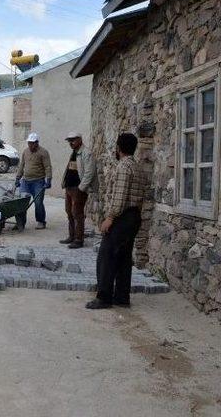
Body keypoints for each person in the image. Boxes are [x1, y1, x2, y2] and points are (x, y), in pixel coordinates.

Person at [86, 133, 144, 310]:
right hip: (134, 216)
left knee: (107, 256)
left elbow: (119, 198)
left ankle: (104, 297)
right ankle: (121, 296)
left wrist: (109, 218)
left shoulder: (123, 168)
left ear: (118, 148)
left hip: (122, 217)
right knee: (124, 258)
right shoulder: (137, 167)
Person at [60, 132, 96, 249]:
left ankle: (79, 239)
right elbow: (70, 169)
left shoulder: (87, 153)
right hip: (70, 187)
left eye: (73, 140)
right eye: (69, 140)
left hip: (78, 189)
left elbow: (89, 173)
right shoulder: (75, 153)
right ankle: (72, 236)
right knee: (69, 212)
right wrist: (64, 182)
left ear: (80, 140)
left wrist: (82, 188)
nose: (71, 143)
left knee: (77, 213)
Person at [15, 132, 52, 229]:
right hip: (25, 181)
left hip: (38, 182)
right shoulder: (25, 152)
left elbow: (48, 167)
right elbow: (21, 165)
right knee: (21, 202)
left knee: (38, 203)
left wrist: (48, 179)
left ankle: (41, 221)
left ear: (37, 143)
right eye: (29, 143)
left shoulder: (43, 152)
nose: (30, 145)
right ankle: (20, 223)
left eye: (32, 143)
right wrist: (17, 178)